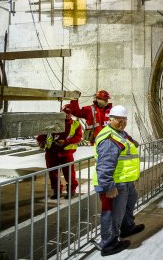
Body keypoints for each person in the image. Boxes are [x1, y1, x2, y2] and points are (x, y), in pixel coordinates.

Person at [92, 105, 144, 256]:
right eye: (118, 119)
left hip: (125, 180)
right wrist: (109, 187)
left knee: (129, 204)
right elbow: (105, 166)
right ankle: (109, 244)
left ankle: (127, 228)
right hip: (114, 183)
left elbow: (131, 146)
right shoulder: (109, 138)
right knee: (113, 213)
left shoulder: (120, 133)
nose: (122, 122)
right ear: (110, 119)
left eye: (124, 119)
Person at [37, 104, 82, 199]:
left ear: (71, 114)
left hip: (66, 152)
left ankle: (71, 190)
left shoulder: (75, 124)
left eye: (69, 113)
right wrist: (40, 141)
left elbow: (77, 137)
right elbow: (43, 133)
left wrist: (66, 142)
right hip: (51, 151)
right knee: (53, 173)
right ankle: (56, 191)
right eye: (65, 113)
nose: (67, 115)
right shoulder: (52, 123)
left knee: (69, 173)